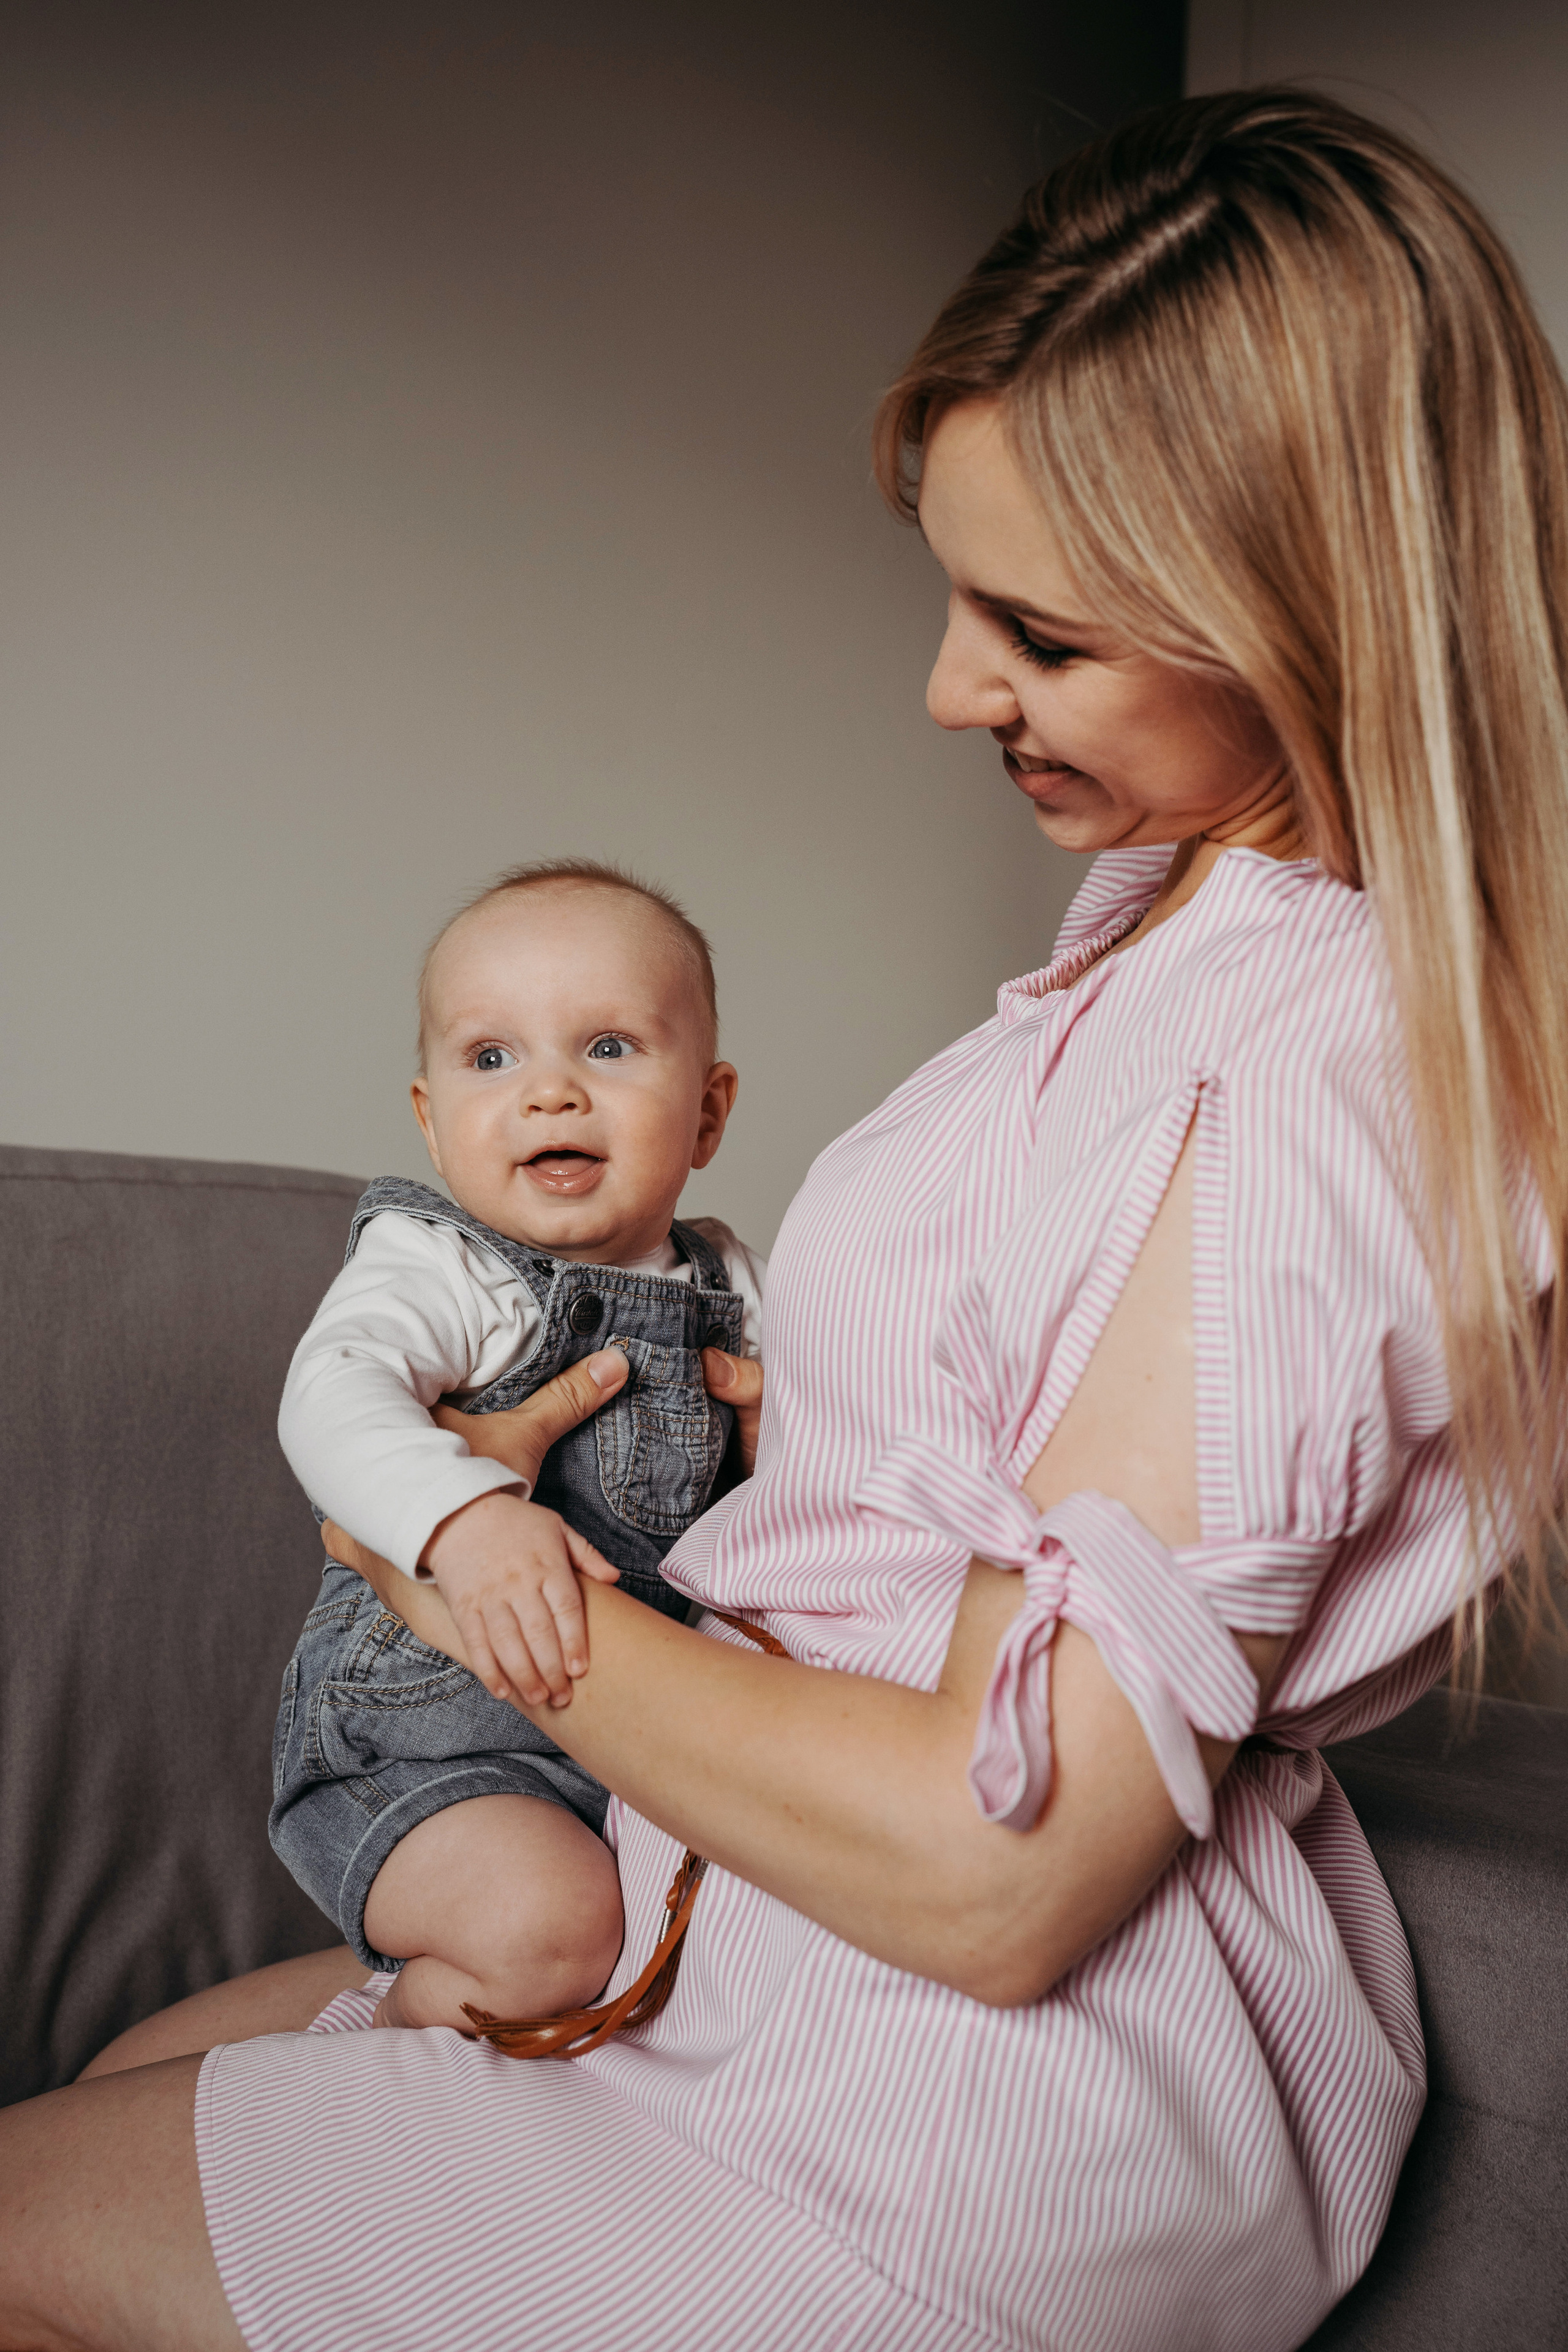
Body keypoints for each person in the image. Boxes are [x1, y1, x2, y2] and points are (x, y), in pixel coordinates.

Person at [4, 85, 1566, 2352]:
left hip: (919, 2138)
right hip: (738, 1959)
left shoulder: (1310, 1067)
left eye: (1037, 630)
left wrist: (456, 1590)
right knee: (131, 2075)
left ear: (1305, 603)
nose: (949, 689)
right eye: (955, 592)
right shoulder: (1173, 950)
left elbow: (1003, 1870)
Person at [270, 859, 766, 2035]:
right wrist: (464, 1519)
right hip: (429, 1740)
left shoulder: (732, 1283)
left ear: (707, 1110)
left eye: (607, 1048)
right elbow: (331, 1395)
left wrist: (783, 1436)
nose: (549, 1094)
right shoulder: (440, 1263)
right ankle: (394, 2032)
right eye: (492, 1059)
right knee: (549, 1933)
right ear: (433, 1122)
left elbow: (828, 1450)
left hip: (646, 1742)